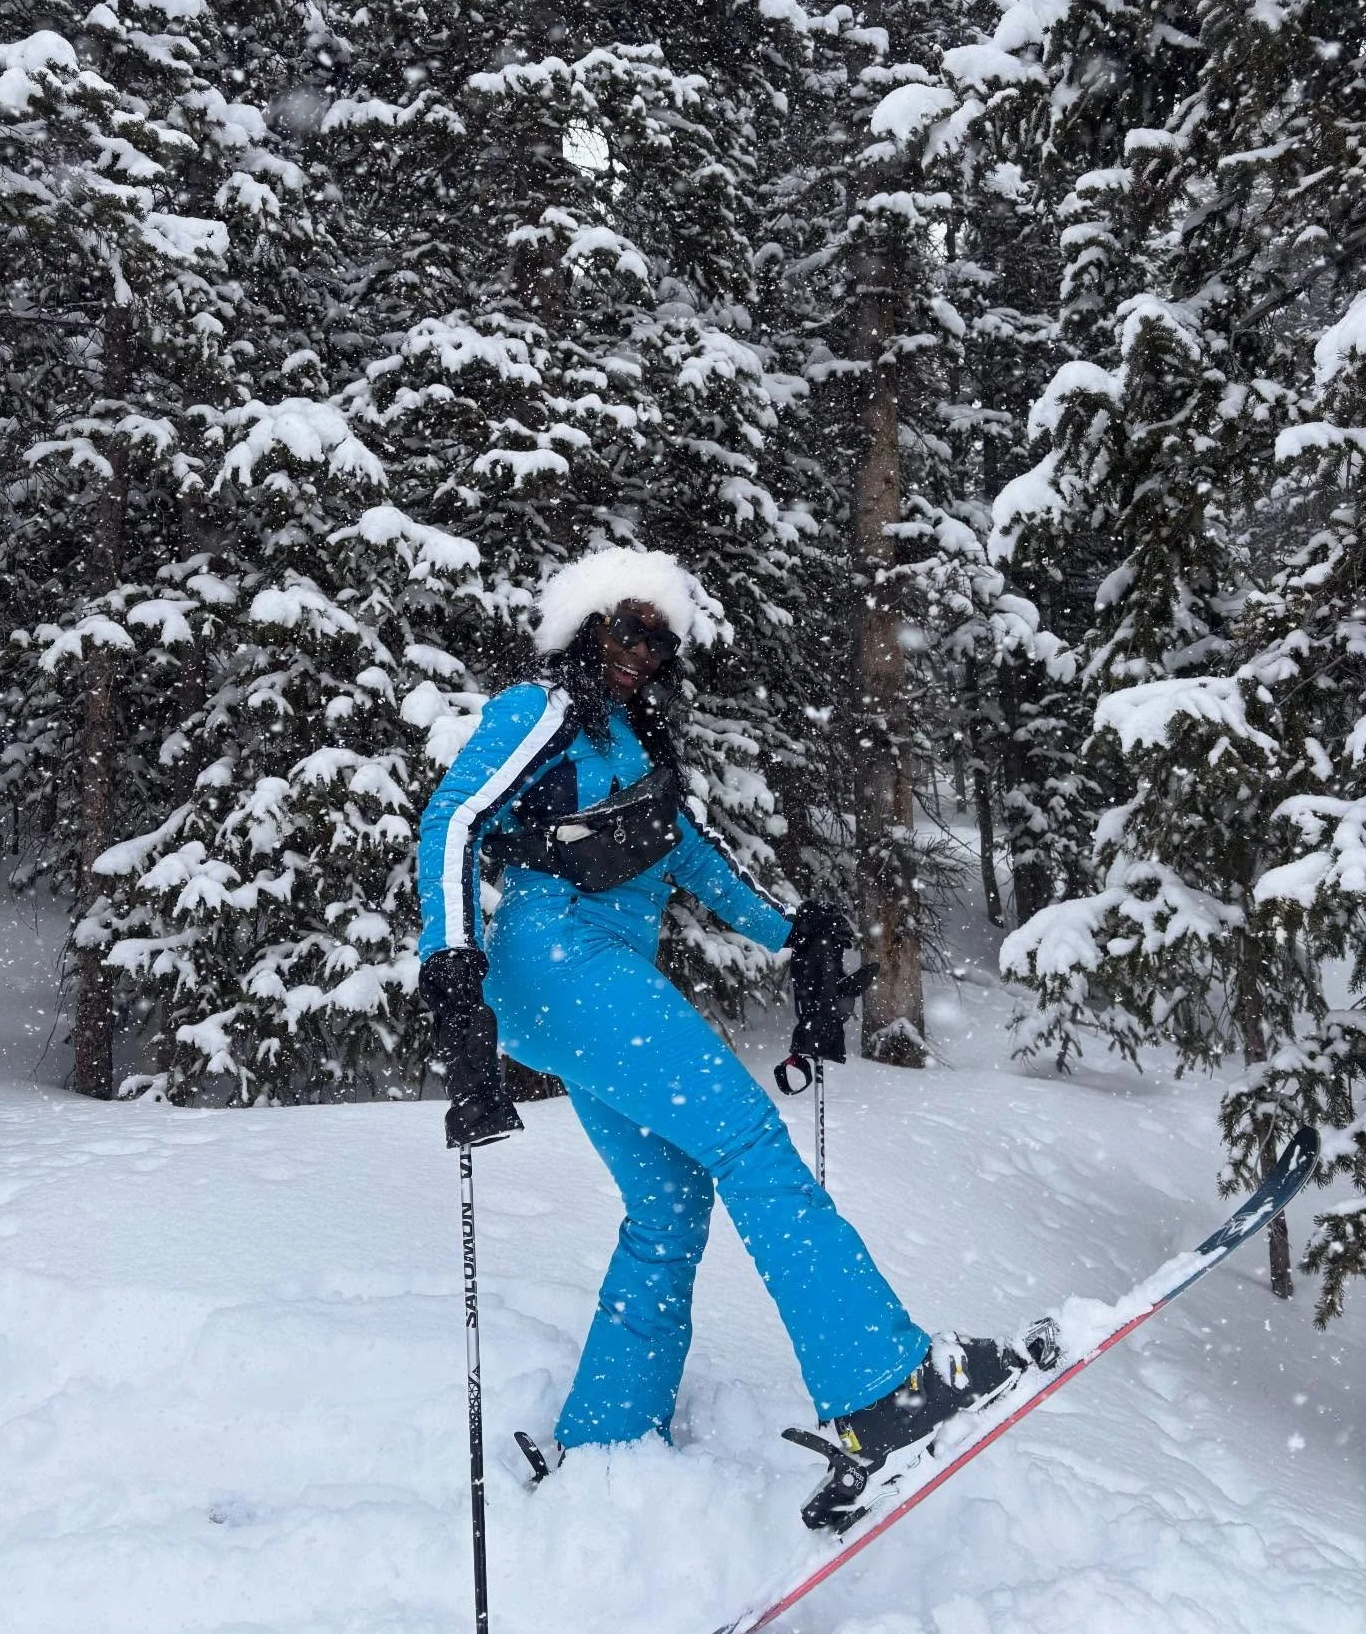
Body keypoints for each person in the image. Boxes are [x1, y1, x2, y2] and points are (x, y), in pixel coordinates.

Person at [416, 546, 1045, 1528]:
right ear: (586, 626)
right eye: (629, 631)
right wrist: (451, 966)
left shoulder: (639, 748)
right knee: (750, 1142)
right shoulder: (539, 711)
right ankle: (884, 1390)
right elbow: (452, 822)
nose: (642, 655)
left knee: (669, 1205)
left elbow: (700, 863)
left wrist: (795, 934)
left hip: (583, 983)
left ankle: (607, 1439)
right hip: (555, 956)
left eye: (660, 644)